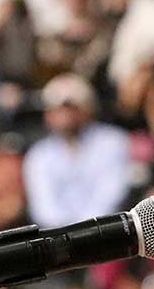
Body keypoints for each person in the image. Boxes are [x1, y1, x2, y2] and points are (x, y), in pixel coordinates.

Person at [22, 74, 132, 228]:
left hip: (106, 232)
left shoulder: (114, 141)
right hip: (58, 238)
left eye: (71, 108)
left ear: (88, 109)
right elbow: (43, 208)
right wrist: (68, 234)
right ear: (48, 115)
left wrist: (84, 231)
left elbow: (112, 196)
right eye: (57, 109)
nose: (65, 116)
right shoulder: (39, 154)